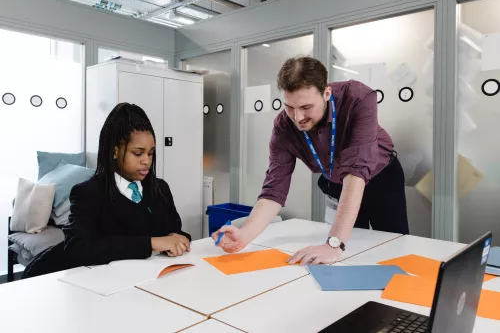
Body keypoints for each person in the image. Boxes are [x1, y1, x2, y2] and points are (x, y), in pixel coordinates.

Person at [212, 56, 408, 266]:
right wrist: (245, 234)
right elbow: (273, 190)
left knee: (391, 250)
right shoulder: (283, 126)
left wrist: (334, 244)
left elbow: (356, 172)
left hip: (380, 180)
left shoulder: (358, 98)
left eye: (306, 107)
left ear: (326, 93)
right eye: (289, 107)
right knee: (347, 257)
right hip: (337, 183)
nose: (298, 117)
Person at [23, 103, 190, 278]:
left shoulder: (160, 188)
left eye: (150, 153)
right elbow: (78, 248)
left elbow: (174, 231)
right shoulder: (88, 193)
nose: (147, 161)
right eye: (138, 153)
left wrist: (179, 238)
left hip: (145, 281)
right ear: (115, 151)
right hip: (93, 284)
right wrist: (152, 243)